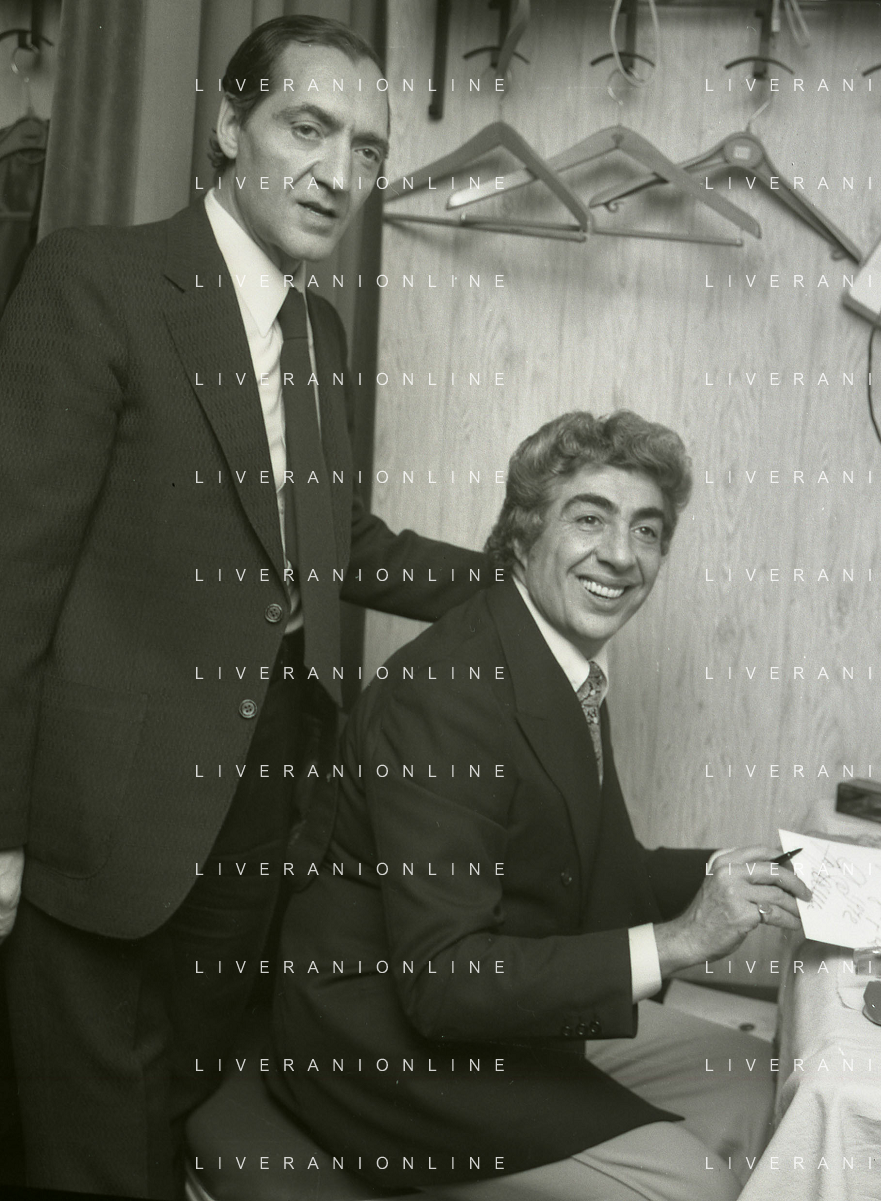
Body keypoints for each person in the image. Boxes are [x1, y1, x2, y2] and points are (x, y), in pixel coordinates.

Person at [0, 16, 493, 1199]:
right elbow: (12, 575)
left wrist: (514, 589)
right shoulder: (97, 281)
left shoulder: (316, 333)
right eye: (307, 128)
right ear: (230, 126)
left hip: (259, 807)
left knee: (180, 1108)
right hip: (94, 822)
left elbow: (330, 543)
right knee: (87, 1144)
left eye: (365, 150)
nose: (337, 173)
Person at [269, 410, 812, 1201]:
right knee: (690, 1186)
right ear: (522, 536)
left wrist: (758, 873)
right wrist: (680, 939)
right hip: (381, 1050)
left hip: (489, 1015)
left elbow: (599, 865)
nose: (621, 554)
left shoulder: (562, 661)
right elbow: (445, 979)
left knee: (759, 1085)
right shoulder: (449, 692)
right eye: (589, 518)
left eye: (647, 529)